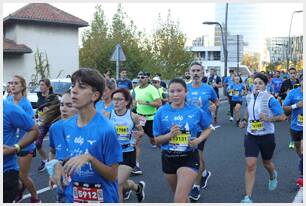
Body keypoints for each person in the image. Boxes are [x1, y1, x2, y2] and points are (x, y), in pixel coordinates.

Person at [52, 68, 123, 203]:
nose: (74, 90)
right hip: (71, 198)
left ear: (95, 96)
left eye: (82, 87)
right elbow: (64, 158)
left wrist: (90, 158)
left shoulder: (106, 129)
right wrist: (56, 167)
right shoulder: (65, 126)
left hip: (103, 199)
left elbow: (113, 175)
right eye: (73, 86)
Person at [153, 78, 212, 202]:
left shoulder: (195, 110)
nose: (175, 94)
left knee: (178, 199)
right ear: (168, 93)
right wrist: (169, 135)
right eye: (172, 91)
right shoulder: (161, 112)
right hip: (168, 158)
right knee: (182, 197)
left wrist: (198, 140)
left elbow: (208, 128)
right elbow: (156, 140)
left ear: (186, 92)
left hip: (189, 157)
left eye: (179, 90)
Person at [239, 73, 286, 203]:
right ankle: (247, 198)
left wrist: (268, 118)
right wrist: (243, 120)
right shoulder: (249, 97)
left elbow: (282, 116)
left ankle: (272, 175)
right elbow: (248, 111)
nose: (257, 85)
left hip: (267, 136)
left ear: (265, 85)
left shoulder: (270, 99)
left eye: (260, 83)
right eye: (255, 83)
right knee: (250, 165)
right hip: (251, 136)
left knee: (267, 163)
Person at [105, 88, 146, 202]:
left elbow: (141, 131)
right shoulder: (108, 115)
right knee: (121, 182)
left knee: (116, 182)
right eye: (114, 99)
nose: (116, 102)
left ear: (127, 102)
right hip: (112, 154)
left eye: (119, 99)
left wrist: (139, 134)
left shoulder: (133, 116)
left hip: (127, 153)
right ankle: (137, 188)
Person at [6, 75, 41, 203]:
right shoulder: (8, 100)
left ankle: (35, 198)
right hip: (10, 145)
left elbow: (32, 127)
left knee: (22, 175)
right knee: (12, 174)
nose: (12, 85)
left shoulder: (25, 104)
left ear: (22, 86)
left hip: (25, 145)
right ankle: (18, 191)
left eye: (16, 83)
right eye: (10, 83)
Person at [186, 62, 217, 201]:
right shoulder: (185, 88)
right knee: (194, 155)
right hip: (187, 127)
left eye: (198, 70)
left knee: (197, 156)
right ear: (189, 72)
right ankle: (204, 173)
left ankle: (195, 187)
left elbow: (216, 102)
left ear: (203, 72)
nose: (196, 73)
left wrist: (213, 107)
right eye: (193, 70)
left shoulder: (208, 89)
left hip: (202, 127)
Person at [47, 91, 77, 203]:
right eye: (62, 104)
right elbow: (52, 151)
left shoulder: (87, 127)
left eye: (69, 105)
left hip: (83, 182)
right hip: (63, 184)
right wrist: (52, 172)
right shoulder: (54, 128)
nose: (64, 109)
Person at [132, 71, 162, 175]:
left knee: (154, 141)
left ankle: (167, 153)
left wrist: (146, 102)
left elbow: (159, 103)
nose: (140, 79)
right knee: (136, 141)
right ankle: (136, 165)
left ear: (147, 79)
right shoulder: (135, 89)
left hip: (150, 119)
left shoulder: (152, 89)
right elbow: (133, 101)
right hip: (139, 118)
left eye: (143, 77)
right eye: (139, 77)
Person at [283, 75, 303, 183]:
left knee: (304, 150)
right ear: (300, 81)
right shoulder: (293, 93)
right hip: (296, 126)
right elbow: (284, 107)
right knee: (298, 149)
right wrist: (296, 105)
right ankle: (302, 160)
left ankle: (302, 174)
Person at [36, 78, 57, 172]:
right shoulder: (39, 98)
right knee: (37, 143)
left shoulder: (54, 97)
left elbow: (58, 110)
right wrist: (38, 117)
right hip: (43, 123)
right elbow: (39, 112)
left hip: (53, 123)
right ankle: (45, 160)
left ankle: (56, 163)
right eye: (40, 85)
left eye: (42, 85)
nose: (40, 87)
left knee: (55, 146)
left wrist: (49, 111)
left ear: (48, 86)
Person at [279, 67, 300, 149]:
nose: (293, 75)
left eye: (294, 73)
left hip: (299, 105)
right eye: (291, 73)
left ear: (296, 73)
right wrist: (286, 93)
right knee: (291, 123)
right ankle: (292, 140)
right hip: (289, 106)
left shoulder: (300, 82)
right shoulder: (285, 83)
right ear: (288, 74)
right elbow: (281, 93)